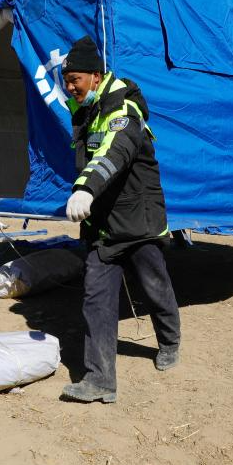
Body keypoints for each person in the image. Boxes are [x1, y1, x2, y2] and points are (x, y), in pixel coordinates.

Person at [58, 35, 181, 404]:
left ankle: (170, 342)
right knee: (95, 300)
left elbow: (116, 151)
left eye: (74, 79)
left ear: (95, 76)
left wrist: (85, 189)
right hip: (103, 227)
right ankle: (100, 381)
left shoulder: (123, 107)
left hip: (138, 223)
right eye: (65, 81)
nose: (69, 87)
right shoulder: (85, 112)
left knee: (155, 288)